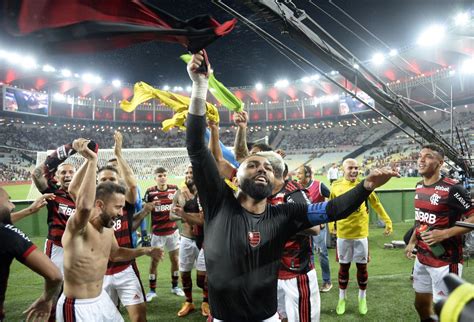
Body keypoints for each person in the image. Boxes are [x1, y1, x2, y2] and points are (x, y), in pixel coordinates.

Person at [185, 51, 398, 321]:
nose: (262, 168)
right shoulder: (218, 202)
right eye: (253, 165)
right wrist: (200, 86)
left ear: (276, 179)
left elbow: (332, 210)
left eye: (268, 168)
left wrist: (366, 185)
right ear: (236, 175)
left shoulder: (284, 214)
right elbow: (195, 145)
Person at [56, 139, 162, 322]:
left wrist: (145, 250)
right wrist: (91, 161)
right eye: (118, 208)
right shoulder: (79, 225)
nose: (122, 213)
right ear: (100, 204)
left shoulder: (108, 227)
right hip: (78, 306)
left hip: (101, 298)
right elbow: (82, 205)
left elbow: (115, 252)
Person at [404, 144, 473, 322]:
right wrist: (412, 242)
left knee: (446, 312)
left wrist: (445, 234)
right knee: (420, 304)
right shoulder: (419, 186)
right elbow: (421, 220)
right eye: (420, 155)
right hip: (422, 257)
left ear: (440, 163)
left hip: (445, 261)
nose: (421, 159)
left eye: (428, 156)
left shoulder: (453, 189)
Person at [330, 158, 393, 316]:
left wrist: (387, 221)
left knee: (362, 267)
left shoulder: (365, 185)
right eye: (351, 168)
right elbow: (331, 206)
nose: (354, 171)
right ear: (343, 169)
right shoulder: (336, 186)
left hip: (361, 235)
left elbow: (376, 204)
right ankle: (341, 298)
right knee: (343, 267)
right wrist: (331, 226)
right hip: (343, 234)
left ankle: (362, 298)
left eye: (356, 168)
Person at [262, 154, 320, 322]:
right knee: (279, 317)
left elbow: (315, 228)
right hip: (271, 272)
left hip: (296, 272)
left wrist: (279, 224)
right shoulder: (260, 193)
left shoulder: (293, 193)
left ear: (270, 171)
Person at [0, 189, 62, 322]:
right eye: (8, 201)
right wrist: (46, 299)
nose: (13, 206)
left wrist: (29, 211)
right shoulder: (8, 235)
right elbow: (55, 276)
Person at [170, 165, 209, 317]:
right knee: (184, 273)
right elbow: (171, 216)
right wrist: (184, 216)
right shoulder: (179, 193)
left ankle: (206, 301)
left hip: (205, 239)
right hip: (186, 238)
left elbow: (206, 217)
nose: (188, 175)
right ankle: (189, 302)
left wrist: (187, 215)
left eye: (191, 172)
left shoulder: (205, 192)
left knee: (202, 279)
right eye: (186, 172)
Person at [144, 167, 184, 301]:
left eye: (164, 175)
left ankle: (175, 286)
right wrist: (146, 232)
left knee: (175, 260)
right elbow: (145, 212)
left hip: (173, 232)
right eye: (159, 175)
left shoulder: (174, 189)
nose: (162, 177)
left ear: (167, 177)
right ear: (155, 178)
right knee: (154, 262)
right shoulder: (150, 192)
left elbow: (180, 207)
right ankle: (152, 290)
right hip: (157, 234)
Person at [296, 165, 333, 293]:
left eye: (299, 173)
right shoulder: (296, 187)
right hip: (304, 228)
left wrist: (325, 218)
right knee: (306, 254)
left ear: (307, 174)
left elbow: (332, 198)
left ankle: (327, 281)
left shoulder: (319, 185)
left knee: (322, 253)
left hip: (319, 226)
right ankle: (310, 282)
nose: (297, 176)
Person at [107, 157, 150, 248]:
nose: (111, 168)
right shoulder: (102, 189)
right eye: (109, 167)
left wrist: (144, 232)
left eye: (114, 165)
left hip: (129, 233)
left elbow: (140, 209)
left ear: (121, 167)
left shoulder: (133, 188)